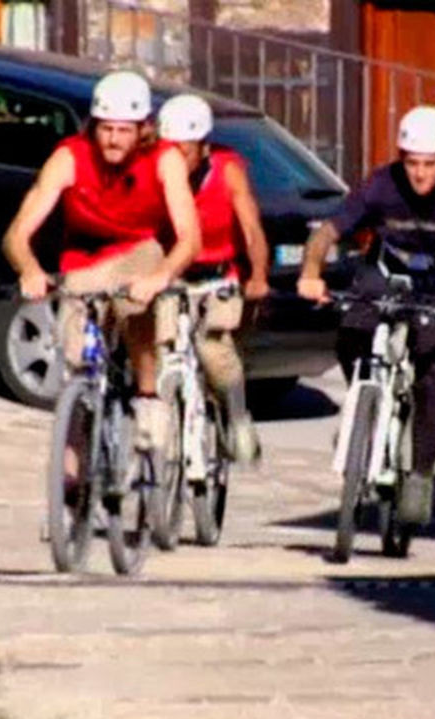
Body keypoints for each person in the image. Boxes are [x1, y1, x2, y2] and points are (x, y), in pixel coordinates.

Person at [295, 105, 435, 526]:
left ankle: (420, 477)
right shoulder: (381, 184)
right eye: (411, 163)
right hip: (386, 273)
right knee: (351, 331)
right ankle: (364, 411)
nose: (419, 174)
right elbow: (327, 232)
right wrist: (310, 273)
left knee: (429, 374)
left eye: (429, 164)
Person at [2, 70, 200, 459]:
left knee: (139, 301)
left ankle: (147, 398)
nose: (112, 139)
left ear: (143, 130)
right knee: (76, 362)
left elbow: (189, 238)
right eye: (105, 129)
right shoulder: (70, 157)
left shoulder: (165, 160)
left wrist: (161, 278)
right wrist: (29, 269)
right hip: (85, 260)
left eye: (123, 130)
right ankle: (75, 460)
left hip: (142, 251)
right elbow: (16, 234)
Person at [155, 93, 269, 463]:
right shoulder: (157, 172)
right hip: (171, 277)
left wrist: (258, 275)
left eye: (183, 150)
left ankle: (236, 418)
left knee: (215, 352)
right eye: (168, 149)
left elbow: (251, 227)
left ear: (203, 148)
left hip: (217, 277)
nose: (175, 159)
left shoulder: (228, 169)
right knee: (159, 349)